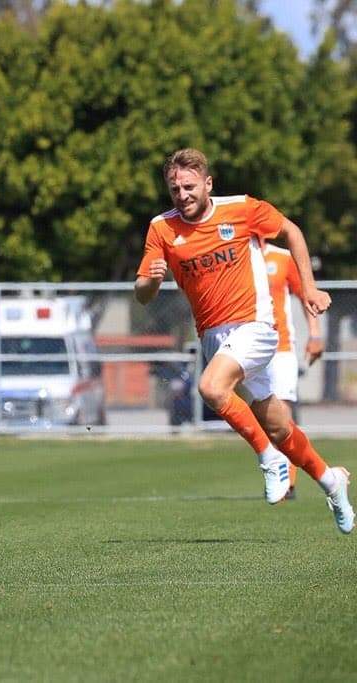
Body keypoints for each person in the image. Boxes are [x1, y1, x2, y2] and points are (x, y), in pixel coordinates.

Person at [134, 148, 352, 533]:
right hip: (214, 340)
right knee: (280, 428)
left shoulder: (242, 209)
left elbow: (292, 232)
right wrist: (151, 279)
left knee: (210, 388)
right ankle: (331, 481)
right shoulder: (161, 228)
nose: (182, 195)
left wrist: (312, 290)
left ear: (208, 184)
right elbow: (142, 293)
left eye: (188, 186)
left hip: (256, 327)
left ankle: (269, 460)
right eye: (174, 189)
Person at [263, 241, 324, 499]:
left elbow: (305, 295)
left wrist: (315, 334)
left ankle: (288, 482)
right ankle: (276, 469)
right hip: (249, 349)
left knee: (283, 414)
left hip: (282, 347)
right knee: (264, 419)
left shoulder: (282, 257)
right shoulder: (238, 256)